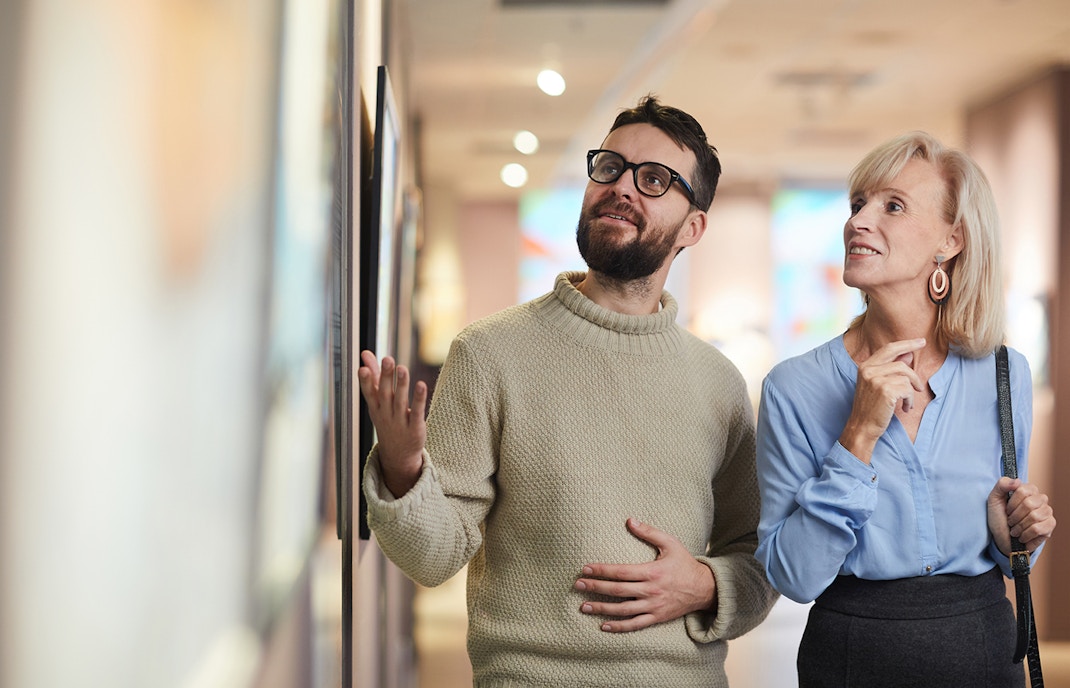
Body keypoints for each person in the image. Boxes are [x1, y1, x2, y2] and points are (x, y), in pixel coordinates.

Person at [358, 95, 778, 687]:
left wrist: (706, 584)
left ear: (693, 226)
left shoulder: (719, 383)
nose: (621, 187)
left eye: (654, 179)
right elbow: (434, 558)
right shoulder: (488, 352)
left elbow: (759, 558)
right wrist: (403, 470)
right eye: (610, 167)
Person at [754, 131, 1057, 687]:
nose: (858, 221)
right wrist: (857, 436)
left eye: (892, 206)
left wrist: (1014, 536)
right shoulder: (792, 388)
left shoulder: (1003, 372)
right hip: (850, 657)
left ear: (952, 239)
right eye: (857, 204)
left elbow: (1011, 553)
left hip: (984, 651)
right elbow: (793, 577)